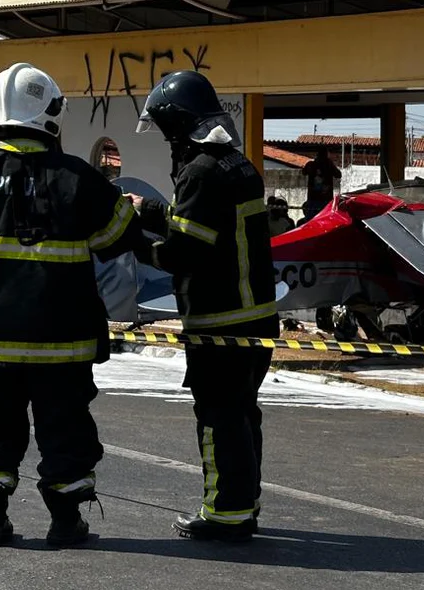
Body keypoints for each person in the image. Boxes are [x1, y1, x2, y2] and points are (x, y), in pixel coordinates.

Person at [0, 63, 141, 547]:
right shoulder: (78, 178)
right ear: (48, 112)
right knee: (65, 432)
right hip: (62, 343)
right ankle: (66, 521)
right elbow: (119, 236)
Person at [132, 70, 279, 541]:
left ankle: (225, 513)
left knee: (218, 419)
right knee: (242, 415)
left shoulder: (198, 172)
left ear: (178, 124)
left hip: (220, 323)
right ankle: (243, 503)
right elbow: (205, 226)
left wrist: (133, 242)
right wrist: (152, 210)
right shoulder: (236, 165)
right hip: (255, 318)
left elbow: (184, 254)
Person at [300, 147, 340, 225]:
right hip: (325, 200)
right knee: (325, 222)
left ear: (317, 155)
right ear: (326, 155)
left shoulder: (311, 164)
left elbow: (304, 172)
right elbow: (338, 175)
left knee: (311, 222)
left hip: (313, 199)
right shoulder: (329, 165)